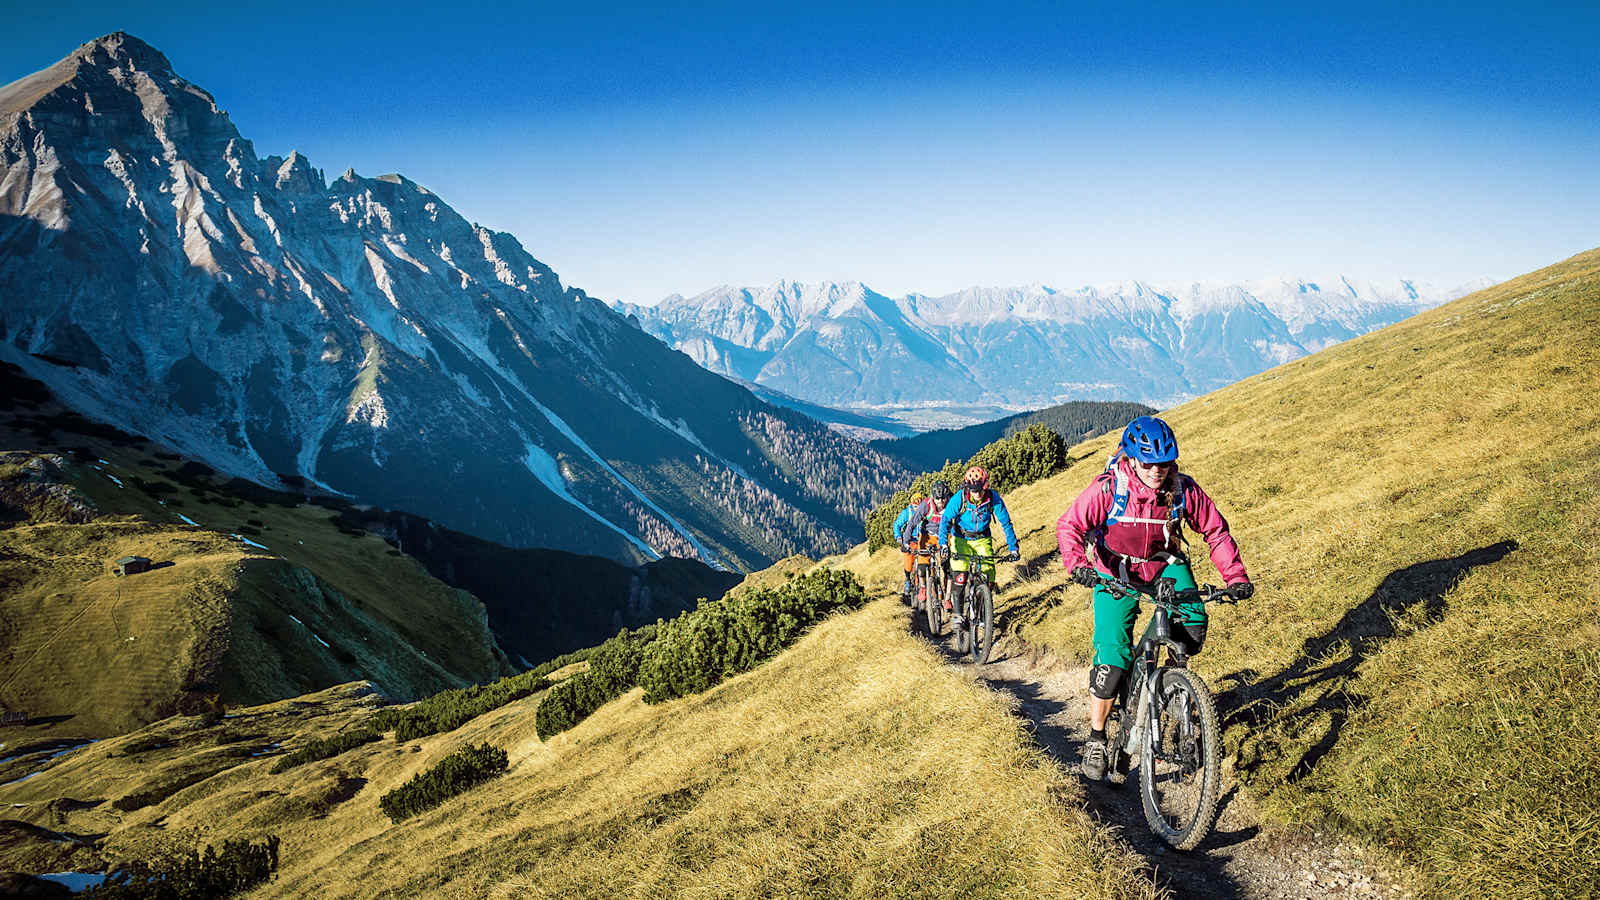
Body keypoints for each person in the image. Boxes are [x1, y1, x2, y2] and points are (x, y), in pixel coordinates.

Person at [1055, 415, 1253, 781]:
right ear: (1131, 459)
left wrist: (1235, 576)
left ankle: (1176, 691)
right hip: (1115, 572)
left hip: (1165, 566)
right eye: (1148, 463)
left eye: (1165, 463)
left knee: (1192, 624)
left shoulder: (1182, 490)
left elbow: (1215, 530)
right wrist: (1079, 564)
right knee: (1113, 659)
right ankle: (1098, 737)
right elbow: (1070, 525)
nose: (1157, 470)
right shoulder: (1109, 489)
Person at [936, 466, 1021, 629]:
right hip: (961, 539)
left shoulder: (993, 498)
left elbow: (1006, 523)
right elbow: (945, 520)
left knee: (989, 573)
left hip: (982, 538)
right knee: (959, 577)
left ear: (985, 486)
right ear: (968, 488)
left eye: (980, 490)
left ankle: (984, 610)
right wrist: (943, 544)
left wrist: (1013, 548)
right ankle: (958, 615)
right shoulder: (958, 499)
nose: (977, 494)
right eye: (973, 490)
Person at [902, 481, 953, 608]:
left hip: (946, 536)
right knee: (922, 566)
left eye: (943, 498)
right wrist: (906, 542)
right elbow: (912, 523)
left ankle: (947, 598)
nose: (940, 502)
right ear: (933, 497)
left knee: (948, 569)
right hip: (927, 536)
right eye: (937, 499)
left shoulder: (951, 503)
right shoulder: (926, 505)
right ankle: (923, 587)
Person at [893, 491, 926, 601]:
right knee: (908, 561)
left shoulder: (925, 511)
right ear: (912, 504)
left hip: (922, 540)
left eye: (919, 505)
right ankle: (908, 580)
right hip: (910, 540)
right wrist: (899, 537)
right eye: (915, 505)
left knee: (925, 562)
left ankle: (926, 585)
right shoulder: (907, 513)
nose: (917, 507)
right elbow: (897, 525)